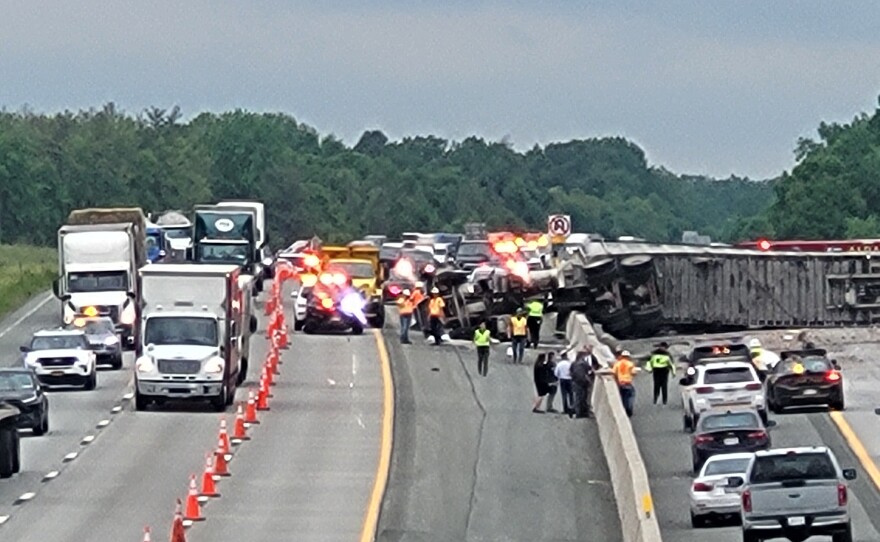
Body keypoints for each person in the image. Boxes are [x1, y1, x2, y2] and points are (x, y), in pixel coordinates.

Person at [571, 345, 600, 418]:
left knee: (580, 398)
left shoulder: (575, 363)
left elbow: (571, 371)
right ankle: (581, 413)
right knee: (581, 398)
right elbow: (591, 369)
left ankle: (580, 413)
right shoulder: (583, 363)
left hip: (577, 382)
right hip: (582, 382)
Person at [612, 350, 638, 417]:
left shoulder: (617, 363)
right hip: (627, 383)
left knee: (623, 397)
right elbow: (634, 373)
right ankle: (629, 410)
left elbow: (614, 372)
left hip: (621, 383)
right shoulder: (630, 364)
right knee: (630, 396)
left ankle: (624, 409)